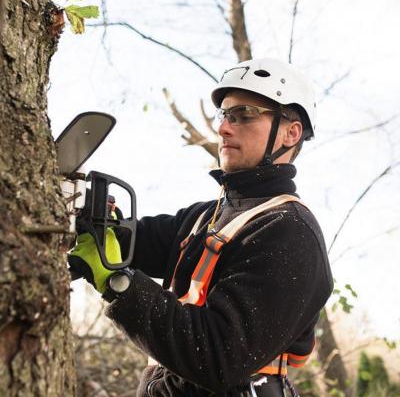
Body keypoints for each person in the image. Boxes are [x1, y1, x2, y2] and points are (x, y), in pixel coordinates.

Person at [69, 58, 333, 397]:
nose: (223, 128)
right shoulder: (204, 217)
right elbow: (133, 240)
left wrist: (119, 284)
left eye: (244, 115)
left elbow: (217, 356)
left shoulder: (289, 232)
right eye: (224, 115)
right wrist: (93, 219)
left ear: (290, 132)